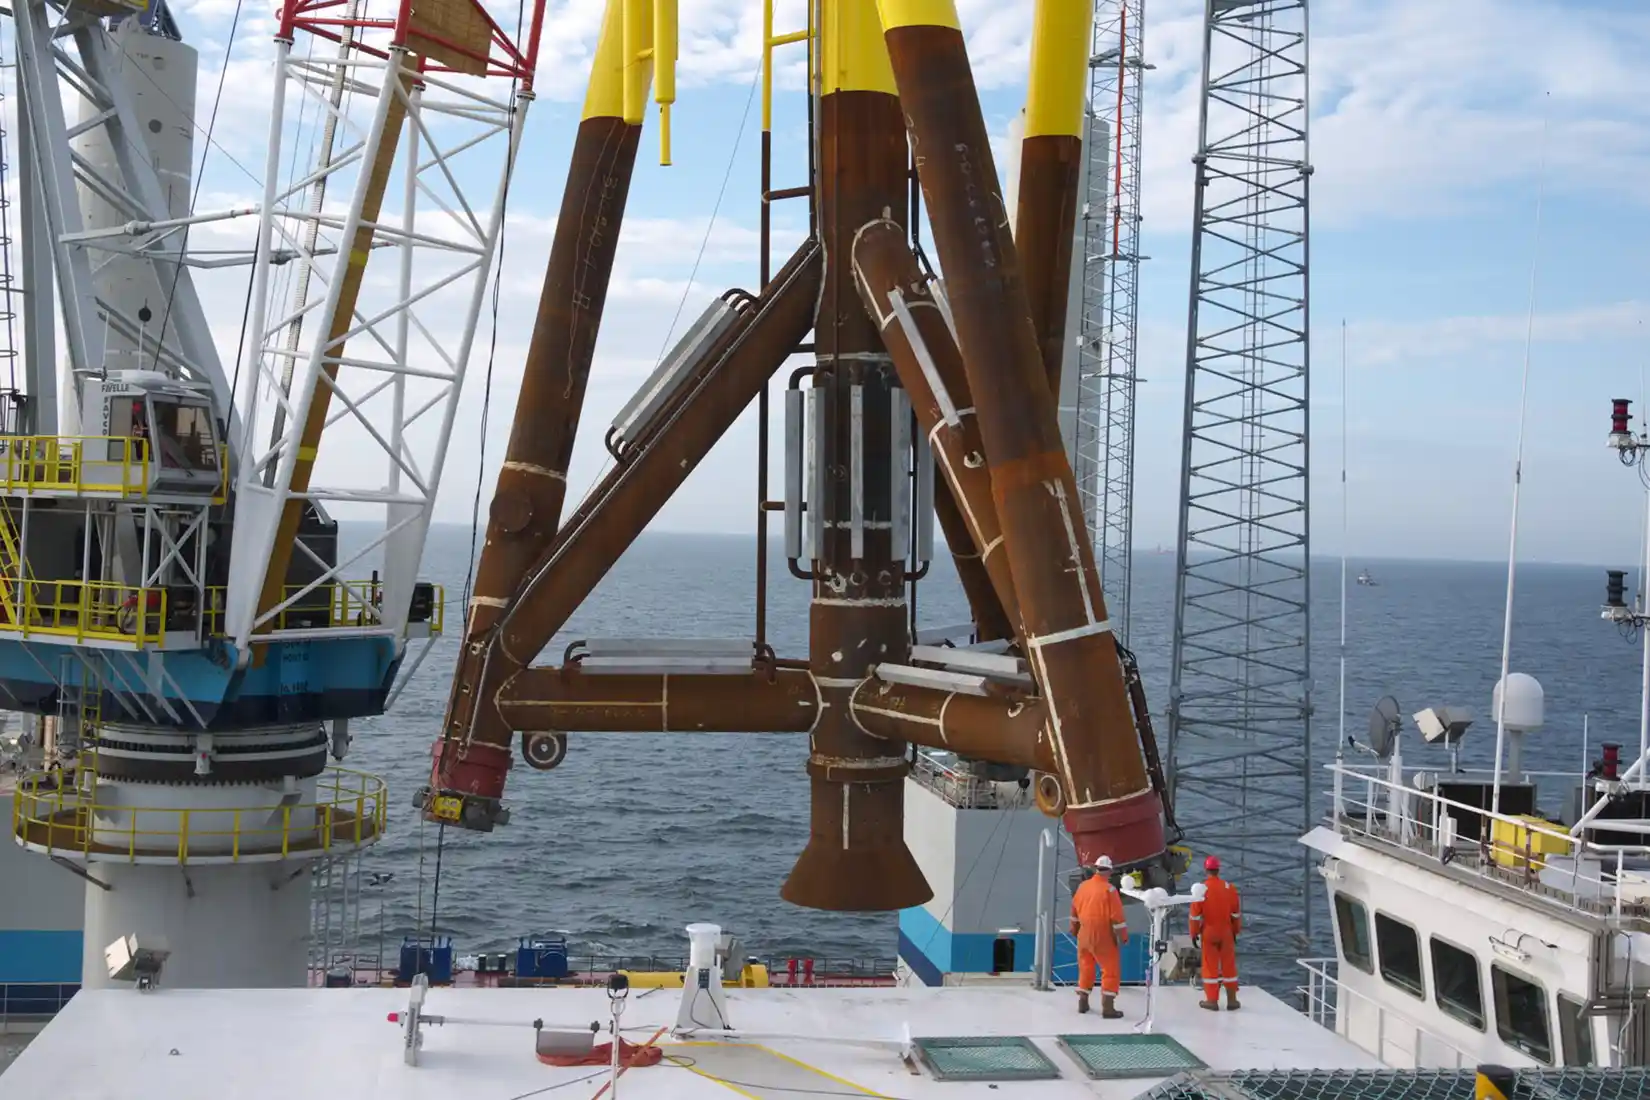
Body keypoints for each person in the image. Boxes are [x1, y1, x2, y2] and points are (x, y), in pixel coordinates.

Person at [1069, 854, 1128, 1018]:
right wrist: (1123, 936)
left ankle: (1083, 1002)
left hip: (1084, 934)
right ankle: (1108, 1008)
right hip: (1103, 936)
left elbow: (1073, 912)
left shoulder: (1082, 887)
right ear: (1109, 871)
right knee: (1110, 970)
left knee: (1086, 967)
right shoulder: (1110, 890)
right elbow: (1117, 918)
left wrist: (1074, 929)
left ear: (1096, 869)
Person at [1189, 854, 1240, 1011]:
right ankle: (1232, 1000)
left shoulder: (1201, 890)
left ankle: (1212, 1000)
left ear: (1206, 870)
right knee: (1229, 966)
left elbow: (1195, 916)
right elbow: (1236, 914)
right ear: (1218, 869)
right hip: (1226, 931)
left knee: (1210, 966)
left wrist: (1194, 933)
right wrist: (1235, 931)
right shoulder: (1229, 888)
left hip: (1209, 932)